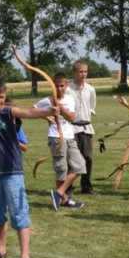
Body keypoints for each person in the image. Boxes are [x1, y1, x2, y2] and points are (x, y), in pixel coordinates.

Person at [0, 77, 59, 258]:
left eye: (1, 97)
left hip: (12, 171)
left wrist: (49, 111)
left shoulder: (9, 111)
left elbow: (29, 112)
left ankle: (25, 257)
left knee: (19, 213)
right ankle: (0, 249)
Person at [34, 73, 86, 210]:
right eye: (56, 86)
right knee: (61, 169)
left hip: (69, 136)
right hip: (56, 137)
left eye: (62, 86)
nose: (59, 88)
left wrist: (60, 107)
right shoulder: (48, 100)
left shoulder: (69, 99)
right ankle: (64, 200)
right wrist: (47, 116)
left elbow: (71, 117)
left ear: (66, 85)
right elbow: (34, 109)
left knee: (80, 165)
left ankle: (59, 192)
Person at [66, 59, 97, 195]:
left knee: (88, 158)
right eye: (80, 72)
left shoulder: (90, 89)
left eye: (85, 72)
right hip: (72, 128)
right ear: (74, 73)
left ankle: (86, 186)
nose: (83, 74)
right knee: (72, 159)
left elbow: (91, 107)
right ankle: (68, 187)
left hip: (86, 128)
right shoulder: (67, 89)